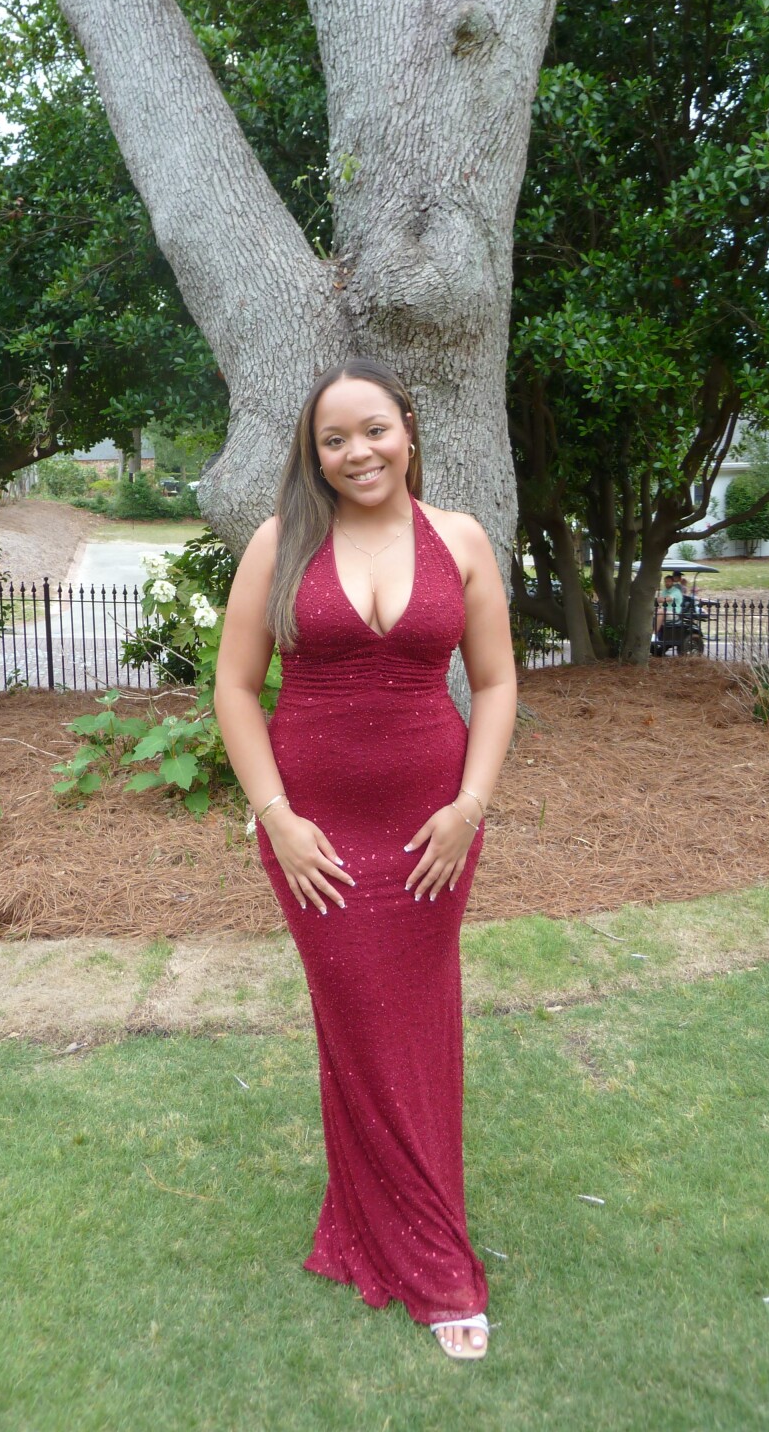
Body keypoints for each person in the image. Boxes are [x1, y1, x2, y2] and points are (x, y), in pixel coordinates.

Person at [214, 358, 516, 1362]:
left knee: (416, 1025)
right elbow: (235, 687)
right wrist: (276, 818)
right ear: (315, 454)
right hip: (317, 837)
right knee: (360, 1026)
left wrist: (470, 807)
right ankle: (434, 1265)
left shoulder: (460, 539)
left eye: (373, 429)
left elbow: (496, 682)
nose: (357, 452)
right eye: (333, 439)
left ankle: (386, 1222)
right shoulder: (280, 542)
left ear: (409, 429)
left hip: (435, 831)